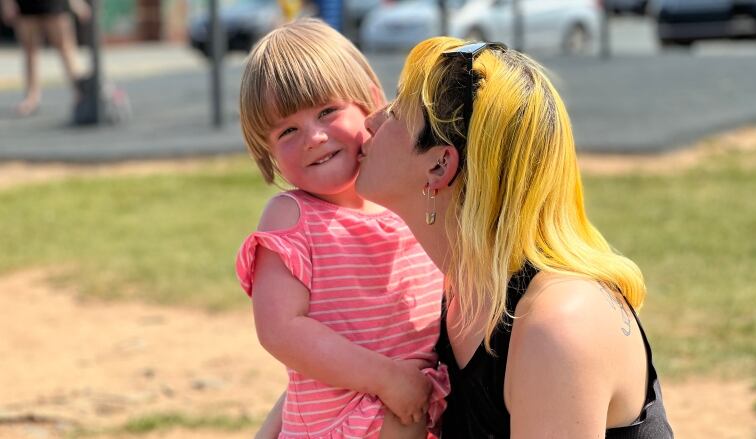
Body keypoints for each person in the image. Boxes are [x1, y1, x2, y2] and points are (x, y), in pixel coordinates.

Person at [356, 36, 674, 438]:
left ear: (439, 166)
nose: (372, 120)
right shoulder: (460, 289)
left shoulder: (557, 325)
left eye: (397, 111)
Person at [235, 19, 448, 439]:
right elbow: (280, 330)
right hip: (339, 424)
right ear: (268, 151)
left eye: (327, 111)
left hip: (422, 411)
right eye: (287, 131)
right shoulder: (291, 216)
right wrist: (386, 378)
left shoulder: (410, 200)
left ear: (369, 101)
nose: (313, 137)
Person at [0, 0, 91, 116]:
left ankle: (81, 93)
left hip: (54, 3)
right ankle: (32, 97)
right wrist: (6, 3)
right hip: (27, 5)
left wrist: (76, 2)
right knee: (30, 50)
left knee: (65, 46)